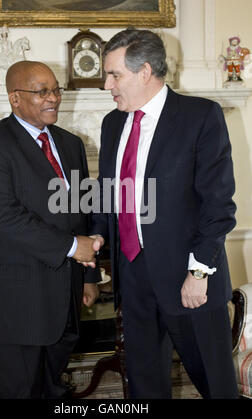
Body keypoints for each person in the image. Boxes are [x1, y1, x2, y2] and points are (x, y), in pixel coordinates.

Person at [90, 29, 238, 399]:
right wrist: (96, 237)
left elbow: (218, 205)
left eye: (114, 75)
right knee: (143, 384)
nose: (107, 84)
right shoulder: (112, 123)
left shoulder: (200, 116)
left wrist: (198, 272)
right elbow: (110, 192)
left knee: (213, 381)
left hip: (190, 279)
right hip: (133, 276)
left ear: (144, 72)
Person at [0, 60, 101, 399]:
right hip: (16, 300)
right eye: (42, 92)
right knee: (21, 391)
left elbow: (81, 212)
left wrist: (88, 278)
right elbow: (4, 218)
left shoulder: (71, 144)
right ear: (15, 98)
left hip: (65, 297)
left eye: (56, 89)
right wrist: (72, 247)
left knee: (51, 389)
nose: (53, 98)